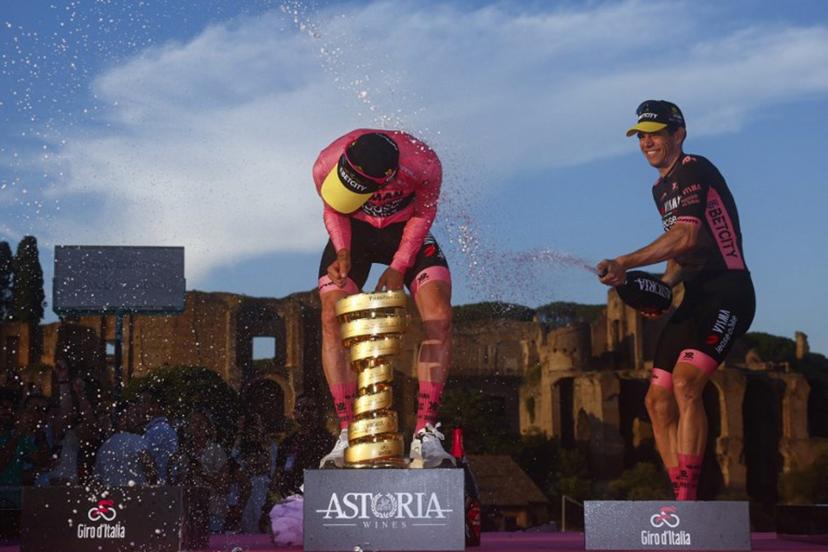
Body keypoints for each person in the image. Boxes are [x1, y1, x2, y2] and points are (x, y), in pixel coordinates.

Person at [597, 100, 755, 500]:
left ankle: (689, 502)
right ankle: (679, 495)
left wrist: (625, 262)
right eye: (642, 136)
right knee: (657, 400)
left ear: (678, 134)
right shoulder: (659, 188)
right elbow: (687, 253)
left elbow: (685, 235)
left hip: (730, 292)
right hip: (697, 295)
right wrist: (663, 287)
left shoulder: (693, 169)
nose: (647, 142)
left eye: (655, 133)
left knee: (686, 385)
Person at [314, 129, 455, 468]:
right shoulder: (325, 162)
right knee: (332, 317)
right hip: (355, 233)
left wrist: (399, 266)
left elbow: (423, 216)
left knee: (439, 316)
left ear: (389, 176)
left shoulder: (425, 164)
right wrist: (343, 250)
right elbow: (334, 208)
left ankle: (426, 431)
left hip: (406, 230)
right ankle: (347, 431)